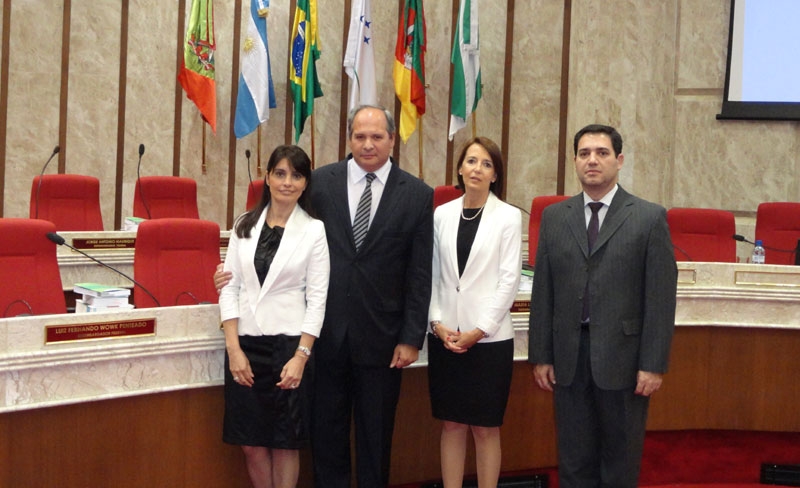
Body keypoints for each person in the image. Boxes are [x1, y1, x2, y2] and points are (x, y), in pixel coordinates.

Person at [528, 124, 678, 488]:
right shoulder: (555, 217)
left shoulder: (648, 217)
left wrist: (652, 365)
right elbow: (543, 291)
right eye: (584, 153)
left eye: (602, 153)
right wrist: (541, 355)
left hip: (624, 360)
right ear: (575, 162)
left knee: (620, 460)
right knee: (574, 460)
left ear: (619, 160)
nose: (592, 160)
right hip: (568, 358)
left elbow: (660, 298)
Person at [308, 104, 433, 488]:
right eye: (360, 136)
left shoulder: (416, 194)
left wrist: (411, 338)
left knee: (376, 440)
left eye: (377, 137)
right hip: (325, 336)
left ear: (392, 140)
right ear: (348, 138)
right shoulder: (320, 184)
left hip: (383, 342)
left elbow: (419, 272)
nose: (367, 145)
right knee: (325, 438)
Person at [218, 145, 329, 488]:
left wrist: (301, 356)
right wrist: (234, 350)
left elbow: (318, 299)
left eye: (296, 175)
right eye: (280, 173)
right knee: (251, 444)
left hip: (288, 348)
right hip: (245, 347)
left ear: (305, 183)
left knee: (284, 443)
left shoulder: (314, 231)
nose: (287, 182)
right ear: (266, 178)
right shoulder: (243, 225)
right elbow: (229, 288)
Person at [427, 137, 521, 488]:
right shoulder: (442, 214)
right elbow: (433, 274)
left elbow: (508, 281)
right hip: (446, 335)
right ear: (460, 168)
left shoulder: (508, 217)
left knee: (484, 427)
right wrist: (437, 323)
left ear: (495, 174)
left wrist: (479, 330)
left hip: (490, 340)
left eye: (485, 164)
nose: (476, 169)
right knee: (451, 424)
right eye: (471, 161)